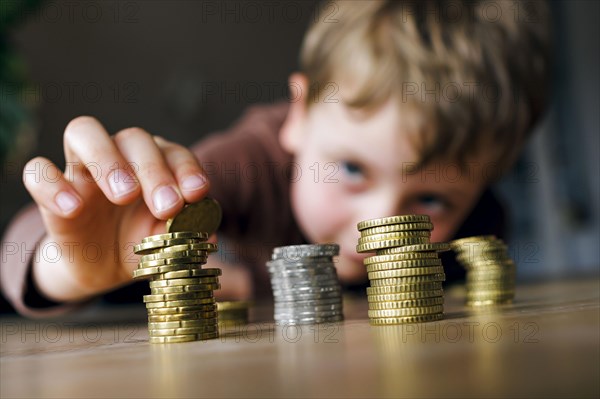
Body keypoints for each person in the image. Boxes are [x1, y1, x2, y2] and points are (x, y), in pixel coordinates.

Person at [0, 0, 551, 317]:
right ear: (299, 114)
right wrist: (68, 264)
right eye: (353, 169)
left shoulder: (479, 228)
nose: (378, 224)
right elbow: (17, 251)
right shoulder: (236, 171)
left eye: (432, 198)